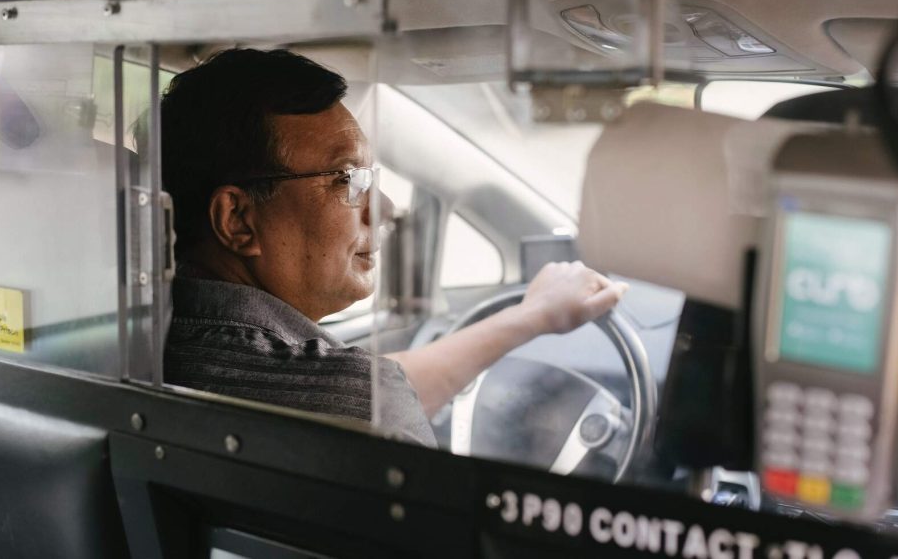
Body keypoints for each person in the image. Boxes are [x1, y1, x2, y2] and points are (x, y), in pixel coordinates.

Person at [160, 48, 627, 446]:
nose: (381, 208)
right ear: (237, 220)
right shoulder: (352, 401)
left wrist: (531, 317)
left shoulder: (150, 345)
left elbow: (375, 387)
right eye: (349, 178)